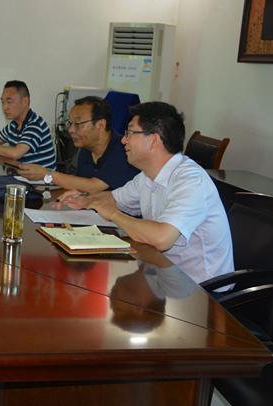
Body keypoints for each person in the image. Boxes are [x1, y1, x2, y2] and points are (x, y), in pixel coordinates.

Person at [62, 101, 233, 284]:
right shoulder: (147, 175)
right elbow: (115, 198)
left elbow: (162, 238)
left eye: (130, 133)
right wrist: (86, 200)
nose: (123, 140)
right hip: (163, 275)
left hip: (201, 290)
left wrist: (114, 214)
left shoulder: (190, 181)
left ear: (154, 141)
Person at [18, 96, 138, 192]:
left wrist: (45, 173)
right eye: (70, 123)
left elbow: (93, 187)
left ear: (100, 125)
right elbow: (80, 185)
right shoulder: (86, 147)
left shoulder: (124, 150)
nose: (71, 130)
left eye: (77, 124)